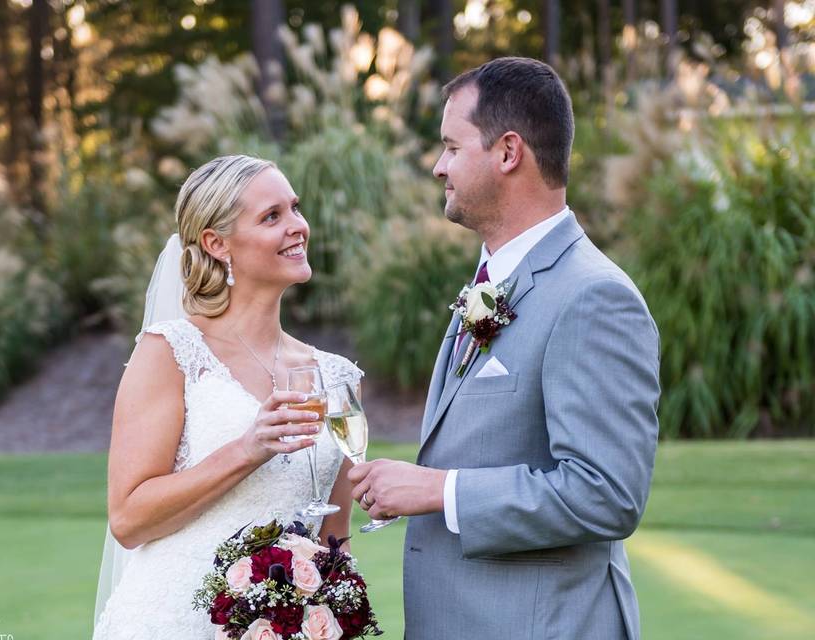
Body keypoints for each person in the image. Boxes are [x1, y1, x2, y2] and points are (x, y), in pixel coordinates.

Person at [348, 57, 661, 639]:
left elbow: (607, 493)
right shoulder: (494, 279)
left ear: (508, 152)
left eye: (450, 146)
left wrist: (439, 490)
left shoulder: (593, 297)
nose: (438, 167)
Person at [92, 155, 361, 638]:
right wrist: (248, 449)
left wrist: (323, 610)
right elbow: (129, 519)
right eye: (271, 216)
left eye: (295, 209)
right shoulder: (170, 352)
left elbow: (332, 538)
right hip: (174, 619)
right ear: (217, 244)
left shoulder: (335, 375)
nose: (298, 227)